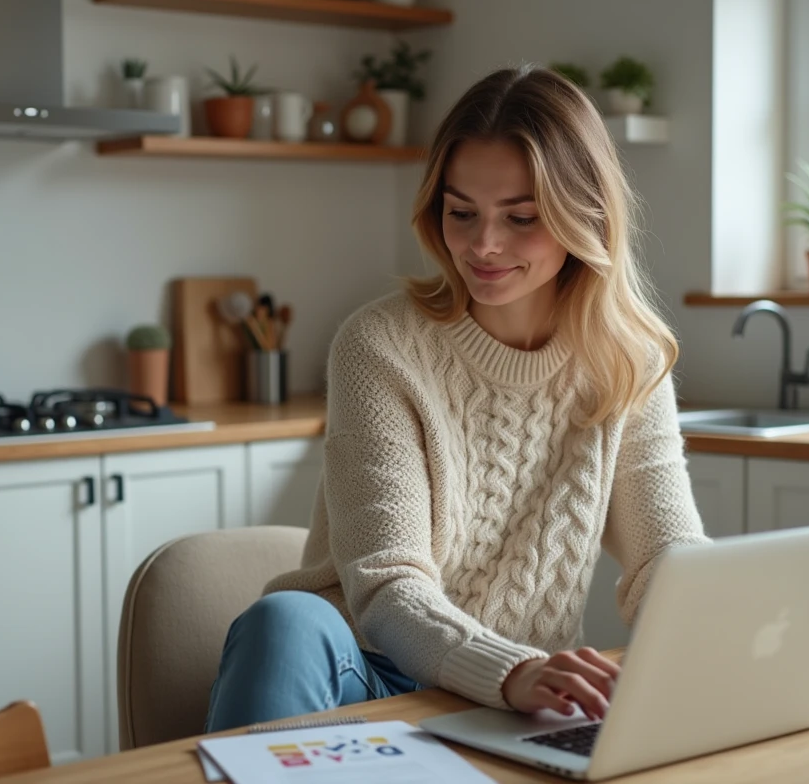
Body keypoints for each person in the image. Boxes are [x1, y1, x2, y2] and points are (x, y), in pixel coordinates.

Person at [205, 64, 709, 733]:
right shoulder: (379, 346)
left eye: (520, 217)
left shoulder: (628, 361)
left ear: (581, 216)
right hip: (372, 671)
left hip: (528, 700)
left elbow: (666, 561)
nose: (483, 244)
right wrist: (509, 670)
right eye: (461, 212)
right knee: (283, 620)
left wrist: (787, 633)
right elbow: (387, 584)